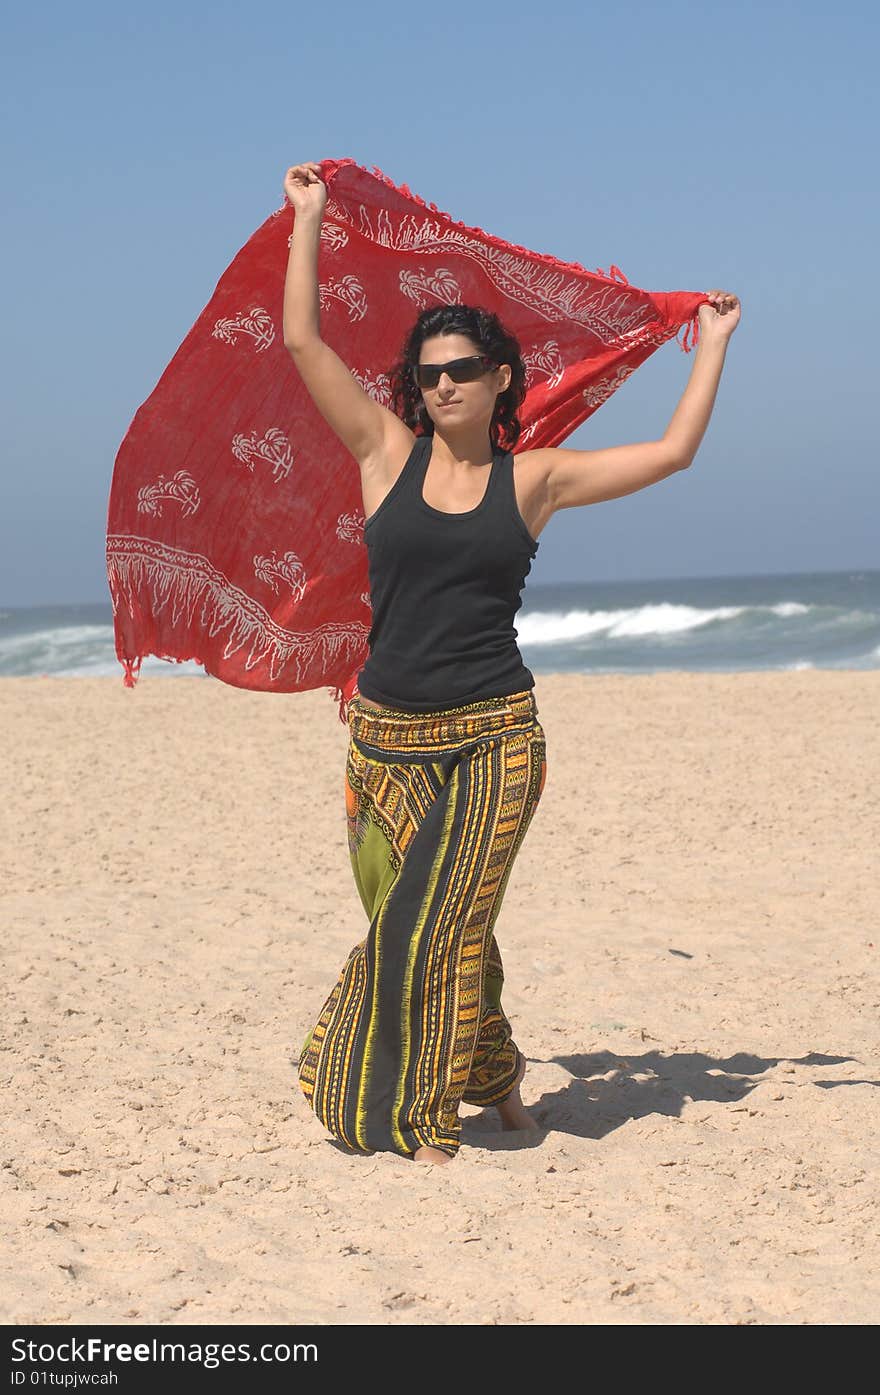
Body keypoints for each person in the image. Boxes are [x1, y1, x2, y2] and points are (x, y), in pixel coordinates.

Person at [282, 161, 741, 1166]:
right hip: (386, 741)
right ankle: (497, 1082)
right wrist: (308, 220)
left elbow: (670, 455)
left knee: (432, 923)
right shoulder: (381, 456)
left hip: (494, 736)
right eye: (429, 373)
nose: (442, 384)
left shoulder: (533, 480)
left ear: (499, 382)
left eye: (462, 370)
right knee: (446, 923)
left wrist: (707, 345)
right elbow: (301, 341)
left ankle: (420, 1119)